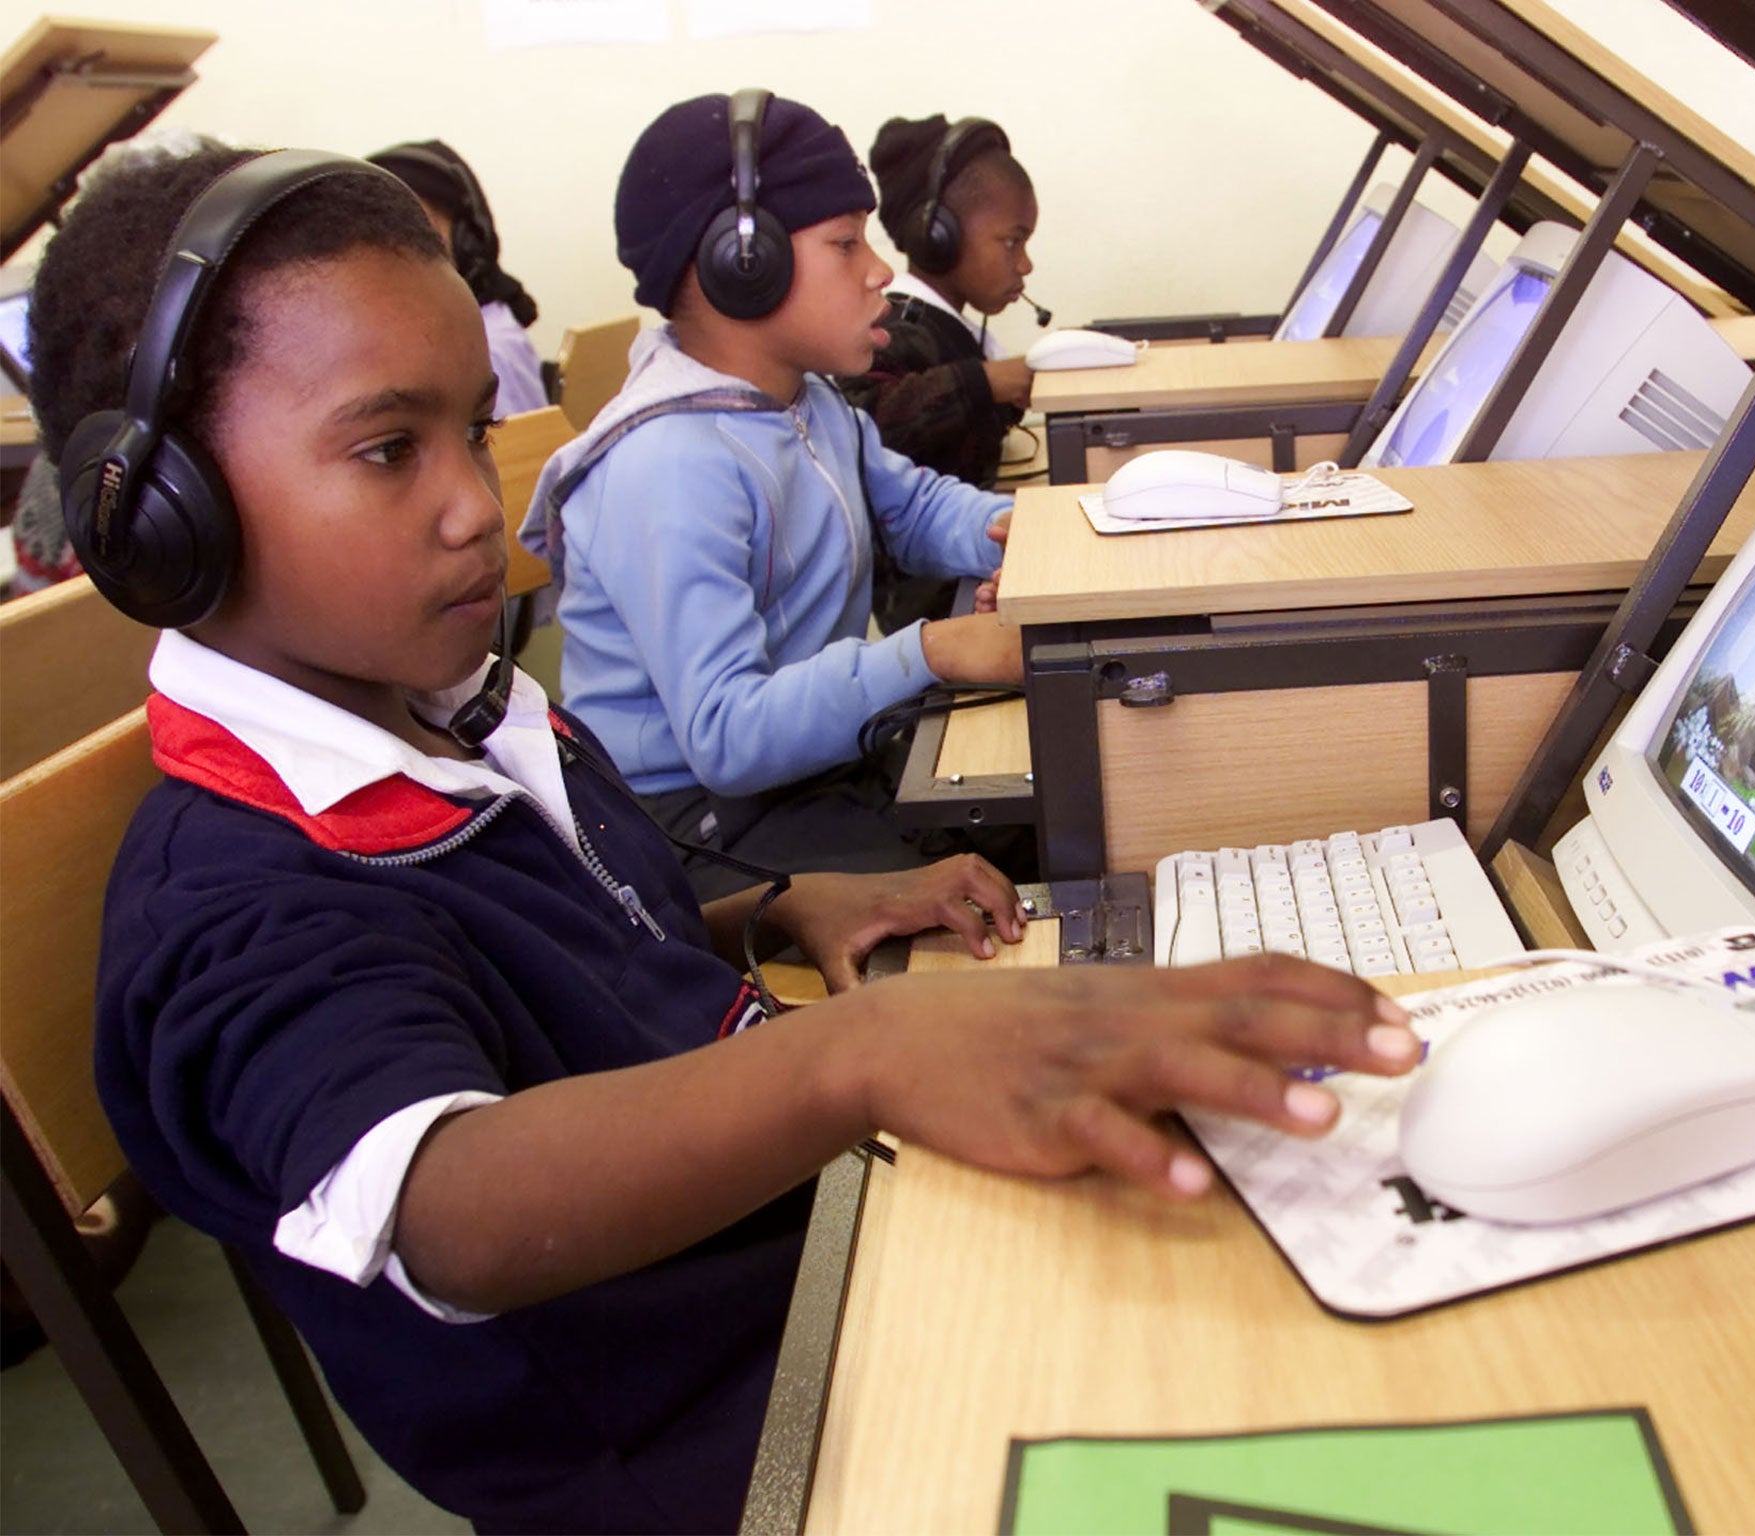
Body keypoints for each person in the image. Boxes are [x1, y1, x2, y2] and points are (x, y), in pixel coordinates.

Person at [30, 142, 1422, 1535]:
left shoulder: (457, 722)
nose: (475, 507)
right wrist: (857, 1055)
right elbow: (451, 1200)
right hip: (715, 1444)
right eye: (392, 450)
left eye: (468, 429)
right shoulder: (237, 906)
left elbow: (560, 964)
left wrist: (773, 910)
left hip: (811, 1255)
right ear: (160, 515)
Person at [523, 92, 1023, 899]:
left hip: (806, 767)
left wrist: (1027, 531)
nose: (881, 269)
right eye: (844, 243)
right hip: (689, 825)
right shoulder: (670, 462)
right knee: (982, 900)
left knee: (1039, 814)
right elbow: (726, 734)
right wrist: (932, 651)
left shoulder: (805, 402)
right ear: (743, 266)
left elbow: (915, 509)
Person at [839, 113, 1037, 491]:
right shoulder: (892, 330)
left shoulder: (949, 330)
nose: (1025, 264)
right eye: (1012, 241)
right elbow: (862, 422)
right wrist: (985, 382)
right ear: (940, 236)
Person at [367, 138, 550, 415]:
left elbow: (523, 456)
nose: (399, 254)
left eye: (419, 233)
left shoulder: (487, 350)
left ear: (468, 243)